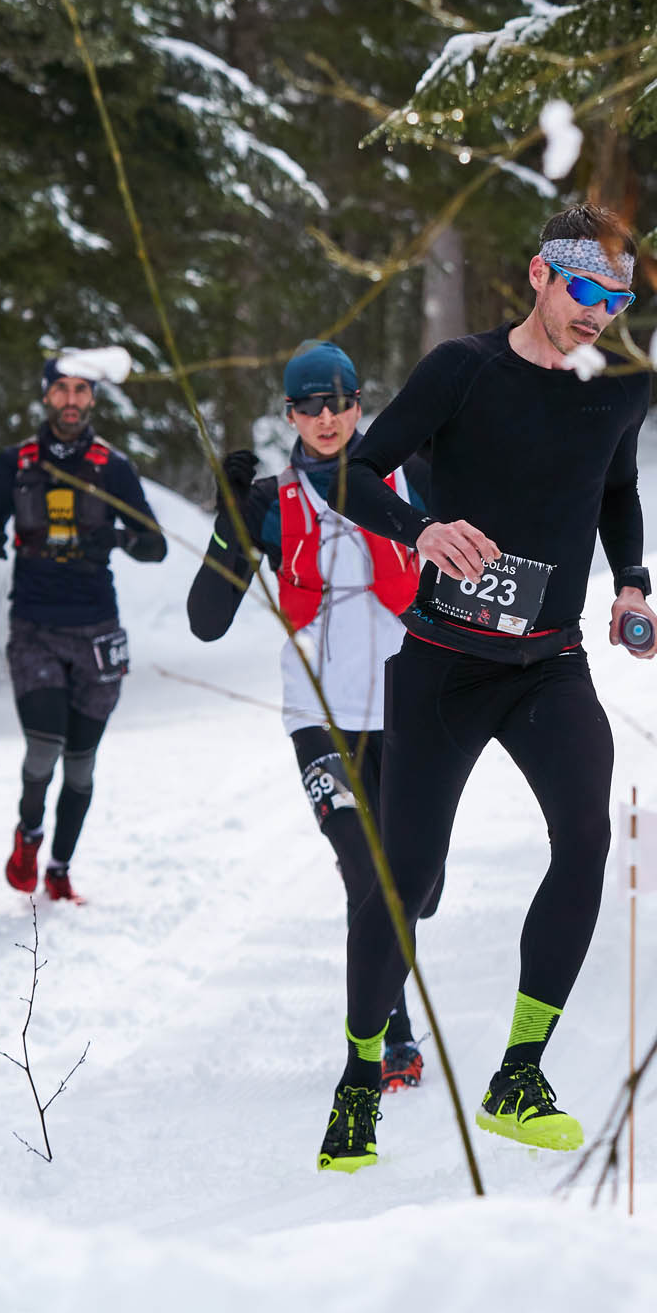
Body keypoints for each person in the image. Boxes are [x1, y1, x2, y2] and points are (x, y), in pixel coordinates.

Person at [315, 200, 657, 1174]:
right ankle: (359, 1075)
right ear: (539, 275)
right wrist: (420, 530)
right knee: (408, 878)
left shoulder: (622, 387)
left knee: (586, 840)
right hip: (444, 663)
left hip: (548, 663)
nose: (599, 313)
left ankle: (519, 1073)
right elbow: (355, 472)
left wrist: (632, 583)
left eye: (618, 299)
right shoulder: (462, 371)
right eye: (585, 290)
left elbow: (616, 488)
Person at [185, 340, 440, 1096]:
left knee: (419, 890)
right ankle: (389, 1036)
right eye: (309, 407)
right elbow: (206, 621)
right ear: (290, 414)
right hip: (318, 717)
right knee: (368, 875)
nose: (326, 420)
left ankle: (388, 997)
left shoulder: (411, 479)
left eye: (339, 404)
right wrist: (230, 523)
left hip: (408, 712)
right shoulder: (272, 502)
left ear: (359, 405)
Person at [0, 352, 167, 902]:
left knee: (81, 764)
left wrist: (118, 538)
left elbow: (154, 544)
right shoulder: (16, 462)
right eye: (62, 389)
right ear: (46, 395)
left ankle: (59, 869)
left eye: (82, 390)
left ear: (93, 399)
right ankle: (29, 835)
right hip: (34, 626)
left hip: (97, 631)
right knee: (44, 748)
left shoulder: (113, 467)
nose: (71, 400)